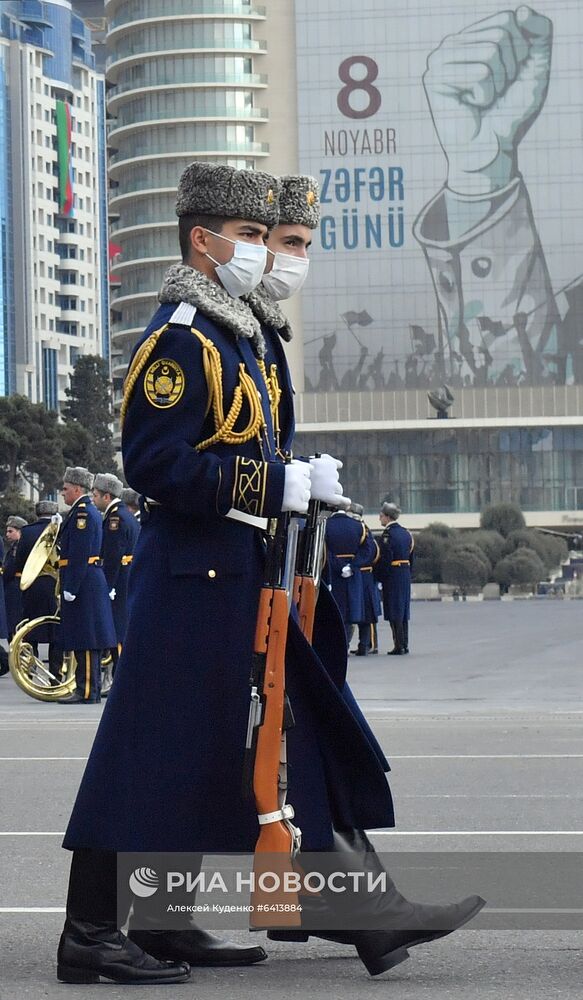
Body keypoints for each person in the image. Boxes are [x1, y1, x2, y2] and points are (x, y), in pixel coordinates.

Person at [57, 164, 482, 987]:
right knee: (148, 752)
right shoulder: (182, 336)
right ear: (202, 241)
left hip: (236, 572)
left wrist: (297, 476)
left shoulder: (238, 331)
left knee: (205, 753)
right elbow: (151, 462)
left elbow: (239, 444)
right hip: (190, 578)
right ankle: (88, 933)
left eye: (269, 237)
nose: (266, 252)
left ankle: (165, 921)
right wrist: (267, 485)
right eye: (252, 237)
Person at [56, 468, 117, 705]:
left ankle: (87, 689)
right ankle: (86, 688)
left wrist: (71, 585)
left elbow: (80, 553)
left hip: (83, 580)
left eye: (65, 489)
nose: (62, 493)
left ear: (77, 489)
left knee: (87, 638)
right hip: (85, 579)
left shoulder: (83, 513)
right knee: (83, 636)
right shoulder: (81, 512)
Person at [92, 473, 140, 684]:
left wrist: (108, 584)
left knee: (116, 629)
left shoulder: (116, 518)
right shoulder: (124, 514)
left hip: (119, 579)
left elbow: (113, 555)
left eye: (95, 495)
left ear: (107, 496)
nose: (93, 499)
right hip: (127, 575)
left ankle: (121, 678)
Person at [13, 501, 61, 680]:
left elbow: (20, 562)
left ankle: (30, 670)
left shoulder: (27, 531)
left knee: (30, 628)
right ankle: (55, 674)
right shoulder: (59, 529)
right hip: (54, 585)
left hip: (33, 585)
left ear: (37, 513)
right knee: (55, 630)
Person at [325, 509, 366, 647]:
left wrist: (340, 566)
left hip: (333, 573)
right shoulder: (358, 525)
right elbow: (369, 550)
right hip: (352, 574)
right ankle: (346, 644)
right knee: (350, 613)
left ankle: (338, 645)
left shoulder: (326, 525)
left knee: (336, 611)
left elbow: (324, 551)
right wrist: (352, 566)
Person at [376, 502, 414, 655]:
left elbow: (386, 558)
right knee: (403, 609)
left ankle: (398, 645)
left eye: (381, 516)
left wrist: (380, 576)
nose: (380, 518)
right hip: (404, 572)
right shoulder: (406, 533)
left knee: (394, 609)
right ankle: (404, 643)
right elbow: (411, 555)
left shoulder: (387, 534)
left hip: (393, 573)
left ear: (387, 517)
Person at [3, 516, 27, 638]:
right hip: (15, 586)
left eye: (11, 531)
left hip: (15, 588)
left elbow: (10, 569)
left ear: (20, 531)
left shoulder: (18, 548)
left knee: (14, 624)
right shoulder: (14, 547)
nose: (7, 534)